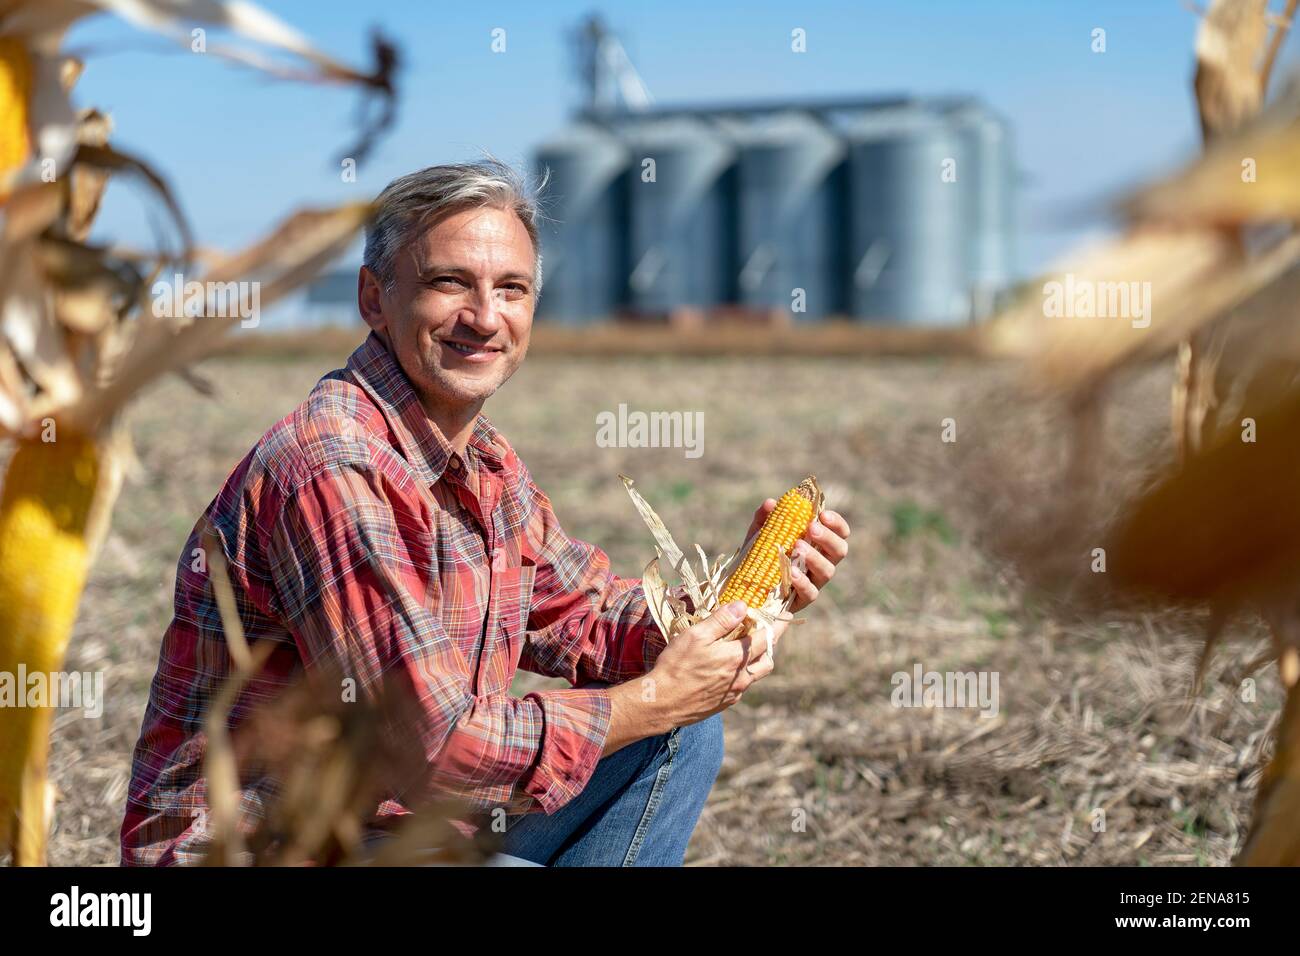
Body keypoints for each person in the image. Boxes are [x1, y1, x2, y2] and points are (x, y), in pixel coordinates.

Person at [120, 159, 851, 866]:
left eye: (512, 289)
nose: (484, 317)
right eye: (449, 284)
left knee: (679, 737)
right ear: (374, 299)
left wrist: (736, 605)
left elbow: (591, 617)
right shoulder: (332, 469)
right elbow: (433, 749)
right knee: (656, 719)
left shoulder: (487, 467)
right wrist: (657, 696)